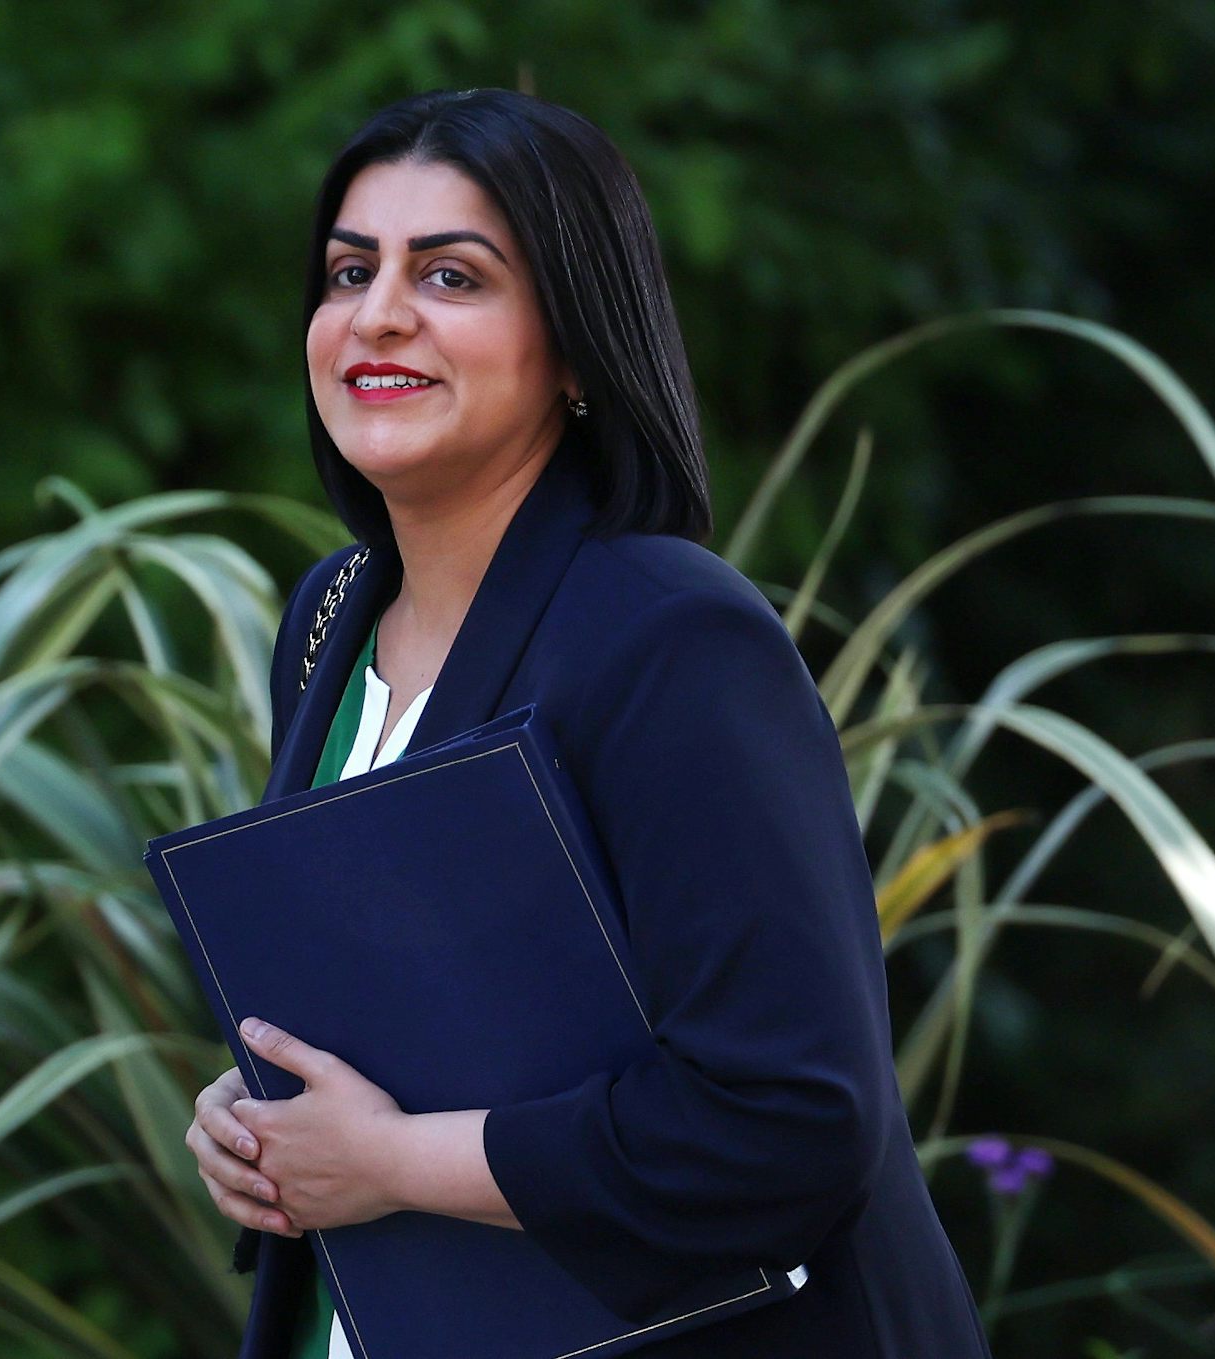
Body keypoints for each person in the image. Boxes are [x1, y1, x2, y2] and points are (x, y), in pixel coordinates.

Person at [179, 87, 994, 1359]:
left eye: (451, 276)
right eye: (349, 272)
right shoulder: (329, 621)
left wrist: (394, 1161)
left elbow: (791, 1119)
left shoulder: (670, 635)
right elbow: (421, 1018)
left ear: (572, 343)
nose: (377, 311)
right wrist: (261, 1124)